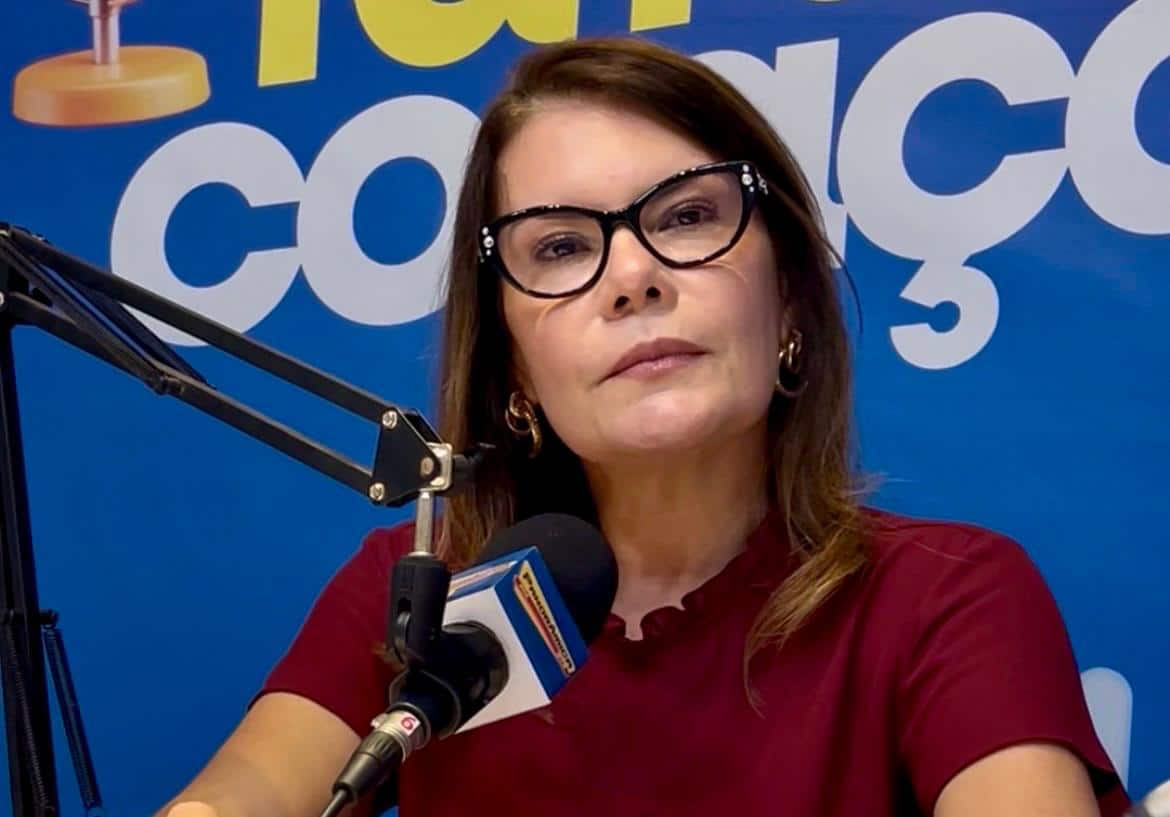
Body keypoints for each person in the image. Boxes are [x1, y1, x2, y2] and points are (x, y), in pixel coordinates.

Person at [158, 36, 1128, 817]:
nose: (632, 276)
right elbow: (239, 795)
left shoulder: (947, 597)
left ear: (790, 303)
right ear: (515, 369)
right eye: (560, 246)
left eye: (689, 216)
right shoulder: (418, 593)